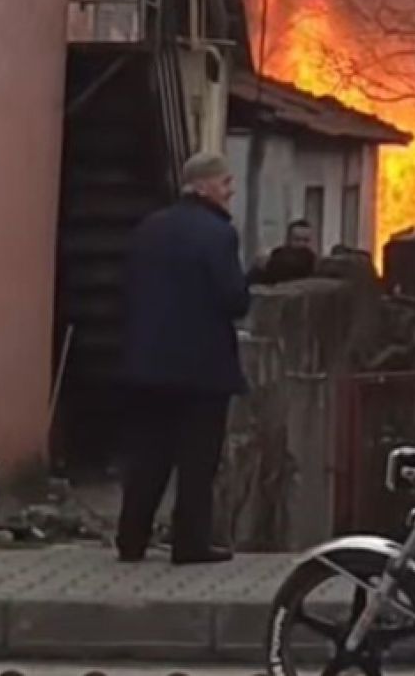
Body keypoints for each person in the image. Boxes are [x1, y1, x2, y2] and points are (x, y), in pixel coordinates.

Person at [116, 152, 252, 564]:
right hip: (202, 368)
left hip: (148, 365)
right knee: (197, 460)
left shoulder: (148, 228)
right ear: (204, 185)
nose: (231, 191)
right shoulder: (218, 234)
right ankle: (189, 543)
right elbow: (234, 299)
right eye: (226, 182)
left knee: (148, 455)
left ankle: (131, 539)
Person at [248, 219, 317, 285]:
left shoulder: (310, 257)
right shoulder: (278, 254)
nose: (302, 244)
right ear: (288, 239)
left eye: (306, 240)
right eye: (297, 239)